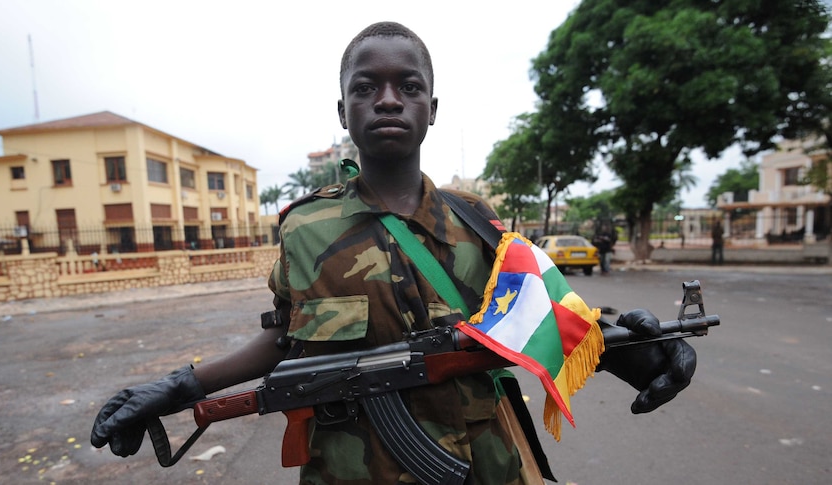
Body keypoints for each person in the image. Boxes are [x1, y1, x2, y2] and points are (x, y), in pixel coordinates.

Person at [91, 22, 697, 484]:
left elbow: (545, 319)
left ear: (431, 110)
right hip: (350, 469)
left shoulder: (476, 220)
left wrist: (632, 351)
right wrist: (176, 389)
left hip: (482, 463)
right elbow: (283, 341)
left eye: (408, 87)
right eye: (367, 87)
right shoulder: (305, 228)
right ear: (343, 112)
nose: (388, 100)